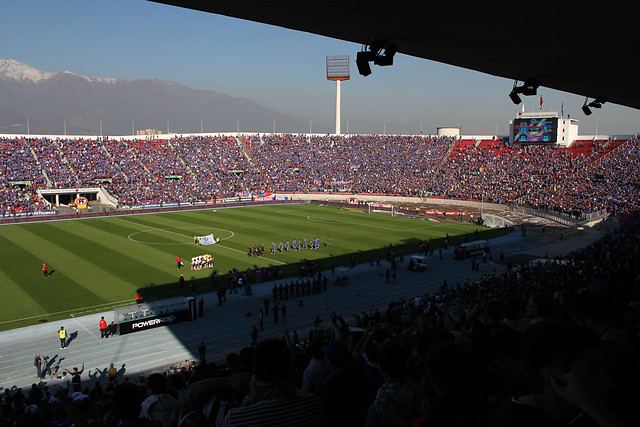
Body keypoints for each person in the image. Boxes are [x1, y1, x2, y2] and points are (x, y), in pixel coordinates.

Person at [223, 339, 327, 426]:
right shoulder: (314, 403)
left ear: (255, 373)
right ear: (290, 369)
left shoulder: (234, 419)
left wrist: (250, 399)